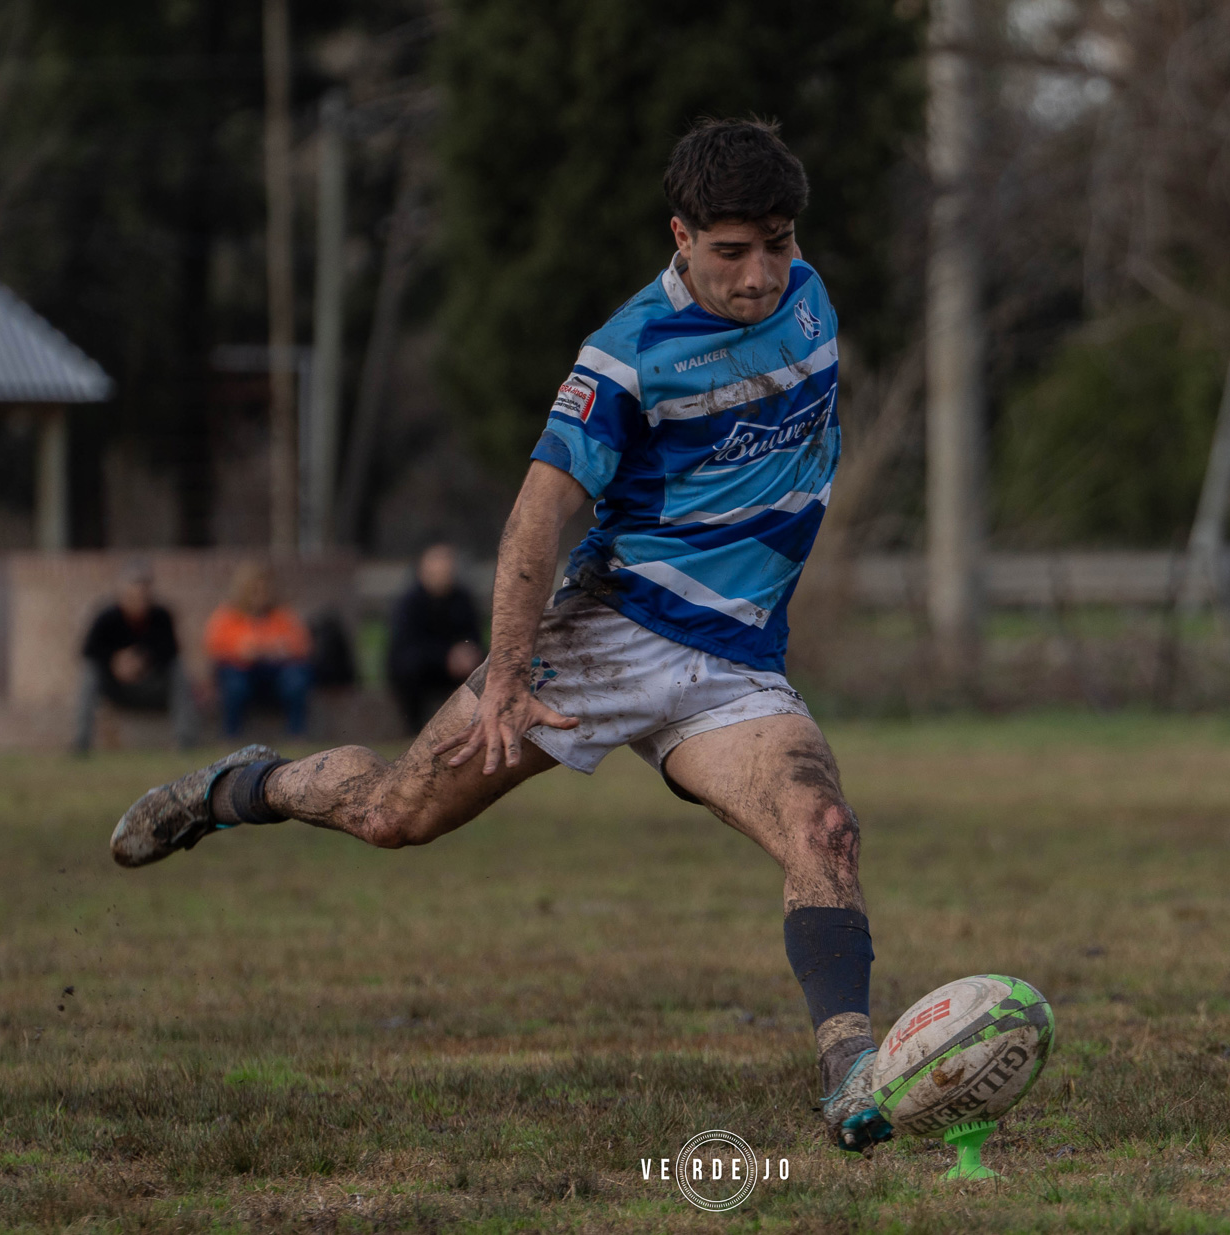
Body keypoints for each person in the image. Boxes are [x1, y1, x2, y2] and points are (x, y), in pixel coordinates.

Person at [111, 121, 887, 1152]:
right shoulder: (624, 357)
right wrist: (511, 674)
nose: (759, 274)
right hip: (606, 638)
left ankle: (853, 1071)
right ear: (681, 236)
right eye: (732, 251)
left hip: (736, 664)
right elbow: (535, 513)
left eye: (777, 244)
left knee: (823, 826)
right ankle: (241, 784)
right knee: (395, 812)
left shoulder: (812, 296)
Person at [74, 561, 197, 751]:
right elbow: (88, 651)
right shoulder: (107, 619)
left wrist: (142, 661)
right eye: (133, 596)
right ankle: (81, 743)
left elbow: (171, 651)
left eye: (143, 596)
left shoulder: (161, 617)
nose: (138, 602)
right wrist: (115, 662)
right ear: (122, 596)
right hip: (115, 687)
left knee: (178, 670)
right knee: (90, 672)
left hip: (152, 685)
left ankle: (186, 741)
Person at [203, 561, 314, 738]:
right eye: (255, 590)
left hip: (275, 673)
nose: (261, 596)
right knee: (234, 683)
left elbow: (302, 646)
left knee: (296, 679)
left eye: (265, 590)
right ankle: (231, 737)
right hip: (242, 672)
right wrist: (241, 651)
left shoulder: (283, 616)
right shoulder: (227, 616)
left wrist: (279, 650)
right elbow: (215, 647)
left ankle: (297, 736)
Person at [387, 544, 484, 732]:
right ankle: (414, 728)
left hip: (458, 667)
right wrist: (446, 657)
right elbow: (406, 645)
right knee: (410, 668)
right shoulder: (410, 602)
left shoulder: (463, 599)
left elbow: (474, 636)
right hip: (423, 667)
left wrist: (469, 653)